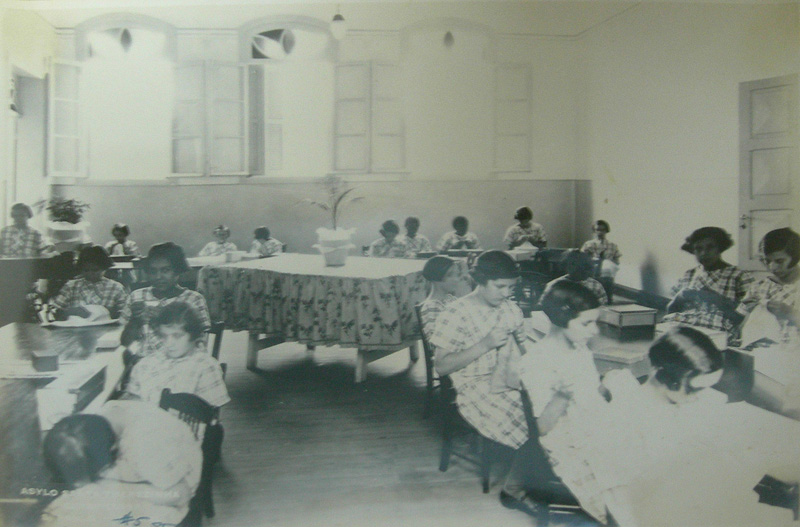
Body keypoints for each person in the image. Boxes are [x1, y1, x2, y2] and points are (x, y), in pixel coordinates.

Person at [591, 326, 800, 527]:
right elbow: (622, 502)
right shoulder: (628, 418)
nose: (700, 396)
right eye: (694, 389)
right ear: (663, 374)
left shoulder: (692, 401)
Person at [429, 251, 532, 512]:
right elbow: (441, 366)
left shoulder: (510, 308)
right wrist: (484, 344)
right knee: (535, 421)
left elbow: (523, 351)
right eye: (500, 287)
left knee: (554, 408)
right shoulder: (456, 313)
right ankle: (515, 489)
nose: (507, 293)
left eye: (511, 287)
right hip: (476, 387)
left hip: (511, 377)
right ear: (481, 280)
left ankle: (546, 478)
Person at [517, 280, 609, 524]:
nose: (594, 331)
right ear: (560, 317)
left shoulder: (580, 349)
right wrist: (563, 395)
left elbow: (590, 391)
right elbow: (543, 428)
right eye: (587, 323)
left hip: (589, 423)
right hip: (564, 441)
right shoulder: (537, 360)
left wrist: (607, 386)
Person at [40, 400, 202, 527]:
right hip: (142, 472)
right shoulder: (98, 422)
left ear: (115, 450)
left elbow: (180, 494)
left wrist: (112, 488)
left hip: (169, 489)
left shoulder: (145, 443)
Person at [125, 302, 229, 408]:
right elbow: (132, 401)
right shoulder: (145, 364)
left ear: (194, 335)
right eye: (164, 336)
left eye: (177, 336)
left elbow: (209, 415)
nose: (169, 343)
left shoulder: (205, 366)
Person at [664, 226, 754, 343]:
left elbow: (745, 318)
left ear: (720, 248)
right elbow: (670, 311)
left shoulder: (738, 275)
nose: (704, 253)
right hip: (685, 330)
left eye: (710, 247)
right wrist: (680, 296)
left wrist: (715, 299)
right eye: (698, 249)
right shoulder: (689, 274)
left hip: (716, 334)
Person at [121, 242, 210, 357]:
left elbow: (201, 344)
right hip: (145, 365)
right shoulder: (137, 296)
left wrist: (165, 318)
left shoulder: (193, 299)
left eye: (165, 270)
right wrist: (135, 320)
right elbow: (125, 343)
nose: (158, 277)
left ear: (178, 270)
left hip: (183, 365)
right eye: (153, 271)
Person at [736, 227, 800, 348]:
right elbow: (741, 332)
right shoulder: (758, 287)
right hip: (762, 353)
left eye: (780, 261)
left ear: (796, 256)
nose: (772, 267)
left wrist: (791, 314)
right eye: (767, 261)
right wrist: (750, 314)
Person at [49, 245, 128, 320]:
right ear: (81, 269)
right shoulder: (71, 286)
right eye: (86, 270)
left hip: (107, 329)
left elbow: (125, 313)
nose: (91, 273)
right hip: (75, 328)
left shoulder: (115, 287)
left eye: (95, 270)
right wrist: (71, 311)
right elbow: (55, 309)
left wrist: (110, 312)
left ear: (105, 268)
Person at [418, 256, 462, 341]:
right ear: (438, 277)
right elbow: (438, 342)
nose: (457, 279)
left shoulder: (450, 299)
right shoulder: (432, 307)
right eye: (451, 275)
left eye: (457, 274)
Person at [543, 249, 608, 306]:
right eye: (575, 267)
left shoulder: (596, 286)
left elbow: (602, 308)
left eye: (584, 267)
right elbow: (545, 307)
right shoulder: (554, 285)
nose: (580, 271)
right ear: (566, 267)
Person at [581, 220, 621, 300]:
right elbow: (582, 259)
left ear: (606, 231)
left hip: (606, 274)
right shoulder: (588, 244)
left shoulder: (612, 245)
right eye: (598, 230)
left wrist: (607, 262)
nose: (600, 232)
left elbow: (617, 261)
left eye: (603, 230)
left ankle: (608, 300)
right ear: (594, 231)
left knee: (607, 292)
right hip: (592, 272)